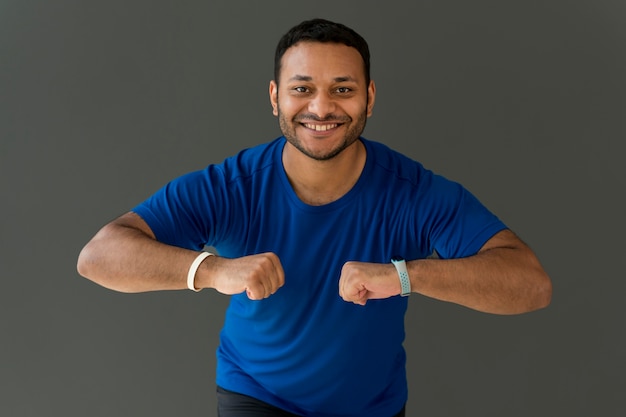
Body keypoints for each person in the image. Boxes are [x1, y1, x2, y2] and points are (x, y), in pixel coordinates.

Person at [77, 18, 552, 417]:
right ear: (274, 96)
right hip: (255, 397)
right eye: (302, 89)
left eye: (341, 90)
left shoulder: (414, 192)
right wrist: (213, 269)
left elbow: (530, 284)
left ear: (368, 96)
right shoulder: (231, 185)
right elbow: (99, 256)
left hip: (373, 405)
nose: (321, 107)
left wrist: (403, 276)